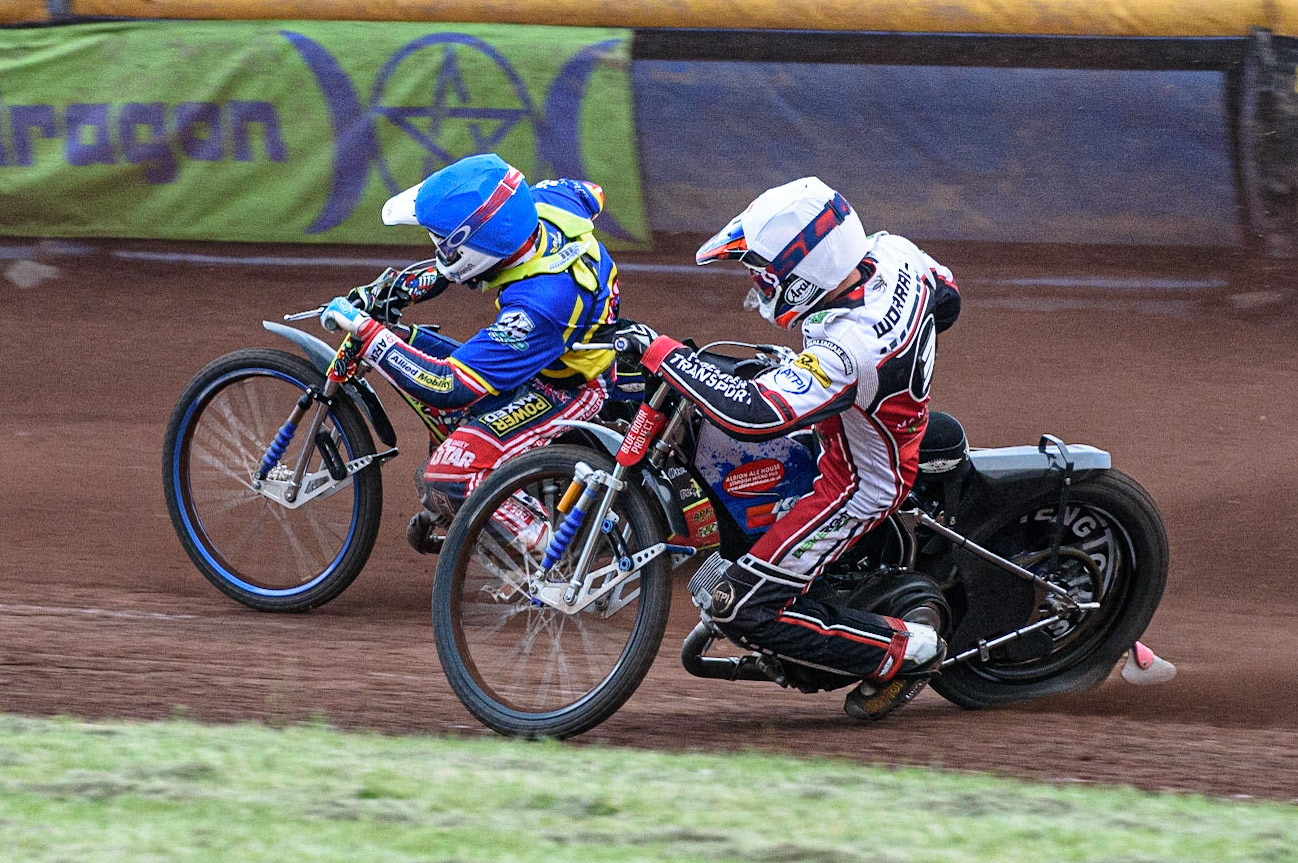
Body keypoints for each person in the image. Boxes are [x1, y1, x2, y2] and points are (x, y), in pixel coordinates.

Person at [614, 177, 962, 719]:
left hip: (857, 484)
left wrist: (662, 353)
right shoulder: (892, 253)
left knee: (741, 608)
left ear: (806, 271)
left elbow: (754, 416)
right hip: (860, 419)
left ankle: (906, 650)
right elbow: (948, 297)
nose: (757, 283)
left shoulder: (848, 347)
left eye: (765, 274)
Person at [318, 153, 620, 554]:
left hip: (565, 387)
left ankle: (553, 551)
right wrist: (404, 291)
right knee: (413, 351)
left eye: (444, 243)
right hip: (558, 349)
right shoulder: (545, 202)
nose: (439, 248)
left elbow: (446, 385)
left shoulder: (537, 306)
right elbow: (591, 194)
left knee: (449, 474)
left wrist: (367, 332)